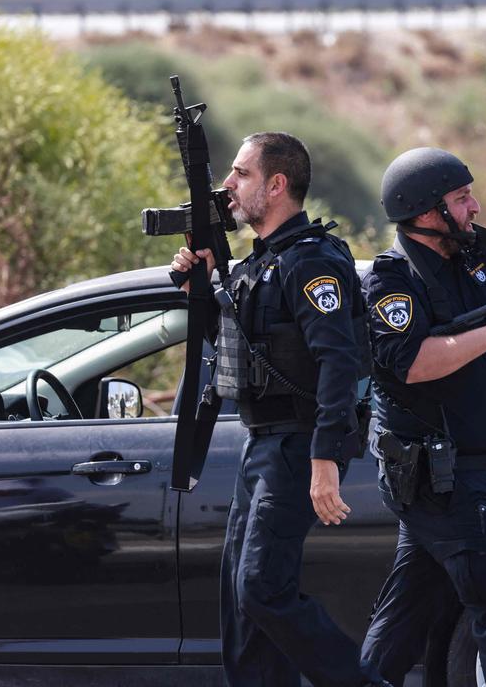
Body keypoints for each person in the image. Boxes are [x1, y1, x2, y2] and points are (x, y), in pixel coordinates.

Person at [171, 132, 387, 687]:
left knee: (262, 589)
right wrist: (198, 277)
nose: (228, 186)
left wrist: (324, 460)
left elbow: (339, 363)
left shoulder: (310, 261)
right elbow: (242, 336)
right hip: (262, 442)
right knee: (241, 605)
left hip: (296, 443)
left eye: (240, 174)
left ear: (277, 184)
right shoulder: (262, 262)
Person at [359, 134, 486, 687]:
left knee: (406, 614)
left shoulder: (472, 254)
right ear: (427, 213)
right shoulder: (393, 280)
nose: (473, 207)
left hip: (471, 469)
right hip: (437, 476)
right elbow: (409, 363)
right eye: (461, 198)